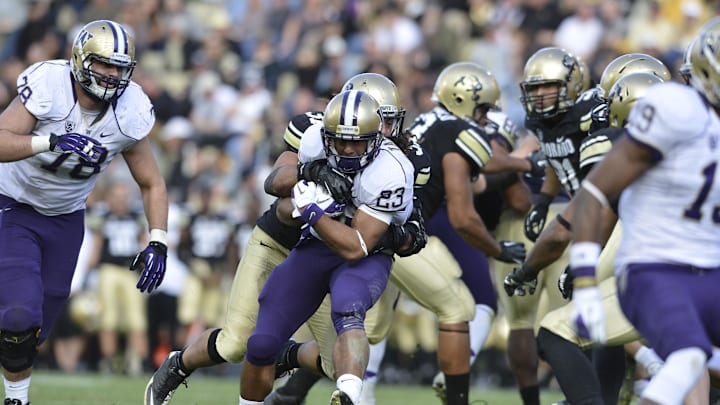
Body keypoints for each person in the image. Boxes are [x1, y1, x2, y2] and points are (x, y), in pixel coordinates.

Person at [144, 75, 422, 405]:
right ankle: (177, 366)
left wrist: (403, 232)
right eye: (342, 135)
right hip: (280, 241)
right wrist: (310, 174)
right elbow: (278, 190)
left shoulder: (399, 162)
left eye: (387, 120)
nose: (385, 130)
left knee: (339, 363)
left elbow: (399, 226)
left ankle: (287, 357)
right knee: (238, 344)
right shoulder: (314, 135)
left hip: (330, 247)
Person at [270, 63, 530, 405]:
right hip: (383, 232)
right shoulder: (452, 131)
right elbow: (463, 213)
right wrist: (498, 243)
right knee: (458, 307)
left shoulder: (421, 128)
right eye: (482, 109)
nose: (485, 118)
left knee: (368, 327)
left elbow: (476, 181)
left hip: (374, 228)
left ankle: (295, 389)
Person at [0, 19, 168, 405]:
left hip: (67, 218)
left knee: (36, 326)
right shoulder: (50, 86)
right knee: (18, 315)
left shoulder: (130, 111)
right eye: (103, 64)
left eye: (119, 67)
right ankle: (16, 400)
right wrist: (51, 140)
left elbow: (152, 182)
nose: (111, 75)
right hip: (14, 204)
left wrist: (158, 239)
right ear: (79, 59)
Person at [569, 18, 720, 405]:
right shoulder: (677, 108)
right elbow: (593, 193)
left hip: (710, 269)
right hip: (654, 266)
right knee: (687, 358)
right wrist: (585, 281)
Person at [239, 89, 415, 405]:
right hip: (317, 247)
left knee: (348, 306)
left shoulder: (392, 170)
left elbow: (356, 247)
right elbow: (274, 185)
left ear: (376, 138)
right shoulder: (313, 142)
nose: (347, 149)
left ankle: (347, 395)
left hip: (366, 254)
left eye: (356, 141)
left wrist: (313, 212)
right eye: (339, 140)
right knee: (262, 343)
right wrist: (308, 172)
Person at [86, 180, 149, 376]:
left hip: (130, 271)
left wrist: (146, 270)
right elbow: (96, 248)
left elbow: (143, 244)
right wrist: (87, 275)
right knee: (108, 318)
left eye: (124, 197)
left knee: (137, 318)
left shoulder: (136, 217)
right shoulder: (103, 217)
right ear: (110, 199)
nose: (121, 201)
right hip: (109, 270)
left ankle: (137, 362)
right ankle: (109, 361)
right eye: (117, 197)